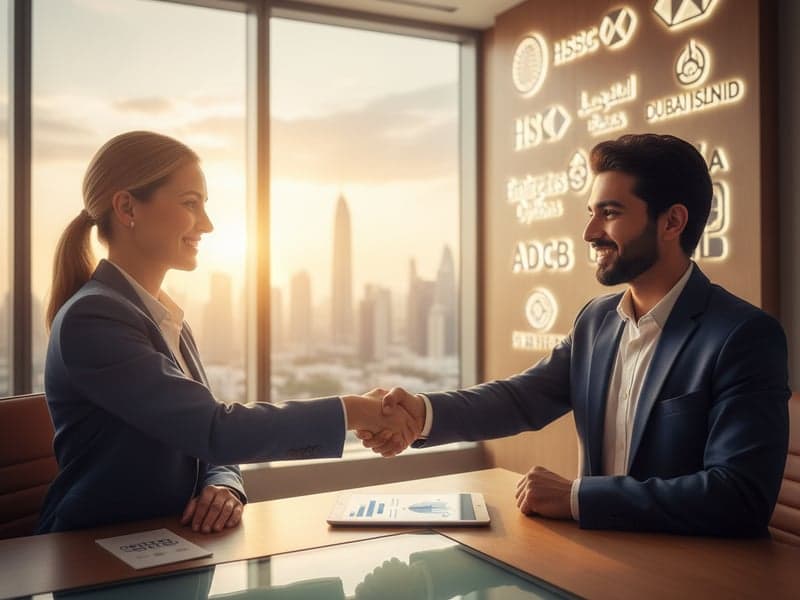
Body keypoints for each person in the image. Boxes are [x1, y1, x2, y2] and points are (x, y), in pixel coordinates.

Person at [360, 133, 791, 537]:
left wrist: (575, 497)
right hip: (600, 564)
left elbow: (739, 497)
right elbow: (521, 399)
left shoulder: (743, 336)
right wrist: (419, 413)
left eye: (610, 213)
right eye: (592, 213)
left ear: (672, 221)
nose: (589, 233)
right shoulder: (596, 322)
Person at [38, 131, 415, 534]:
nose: (208, 224)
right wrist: (354, 411)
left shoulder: (163, 317)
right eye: (190, 204)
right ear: (127, 207)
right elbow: (215, 429)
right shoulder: (94, 318)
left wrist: (223, 484)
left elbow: (205, 439)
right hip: (93, 555)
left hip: (172, 546)